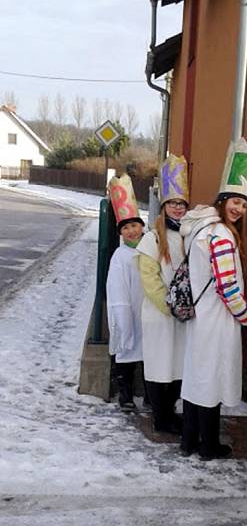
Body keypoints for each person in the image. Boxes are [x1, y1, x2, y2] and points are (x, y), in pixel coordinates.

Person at [179, 140, 247, 460]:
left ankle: (189, 441)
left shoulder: (203, 227)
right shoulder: (222, 236)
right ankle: (208, 446)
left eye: (244, 204)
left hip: (202, 318)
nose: (238, 209)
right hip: (215, 320)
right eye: (235, 201)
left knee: (197, 379)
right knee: (209, 382)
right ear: (223, 199)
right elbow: (228, 289)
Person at [137, 154, 189, 434]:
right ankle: (161, 418)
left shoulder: (190, 235)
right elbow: (149, 278)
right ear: (165, 205)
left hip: (183, 315)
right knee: (160, 367)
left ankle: (170, 413)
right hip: (160, 314)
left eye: (181, 204)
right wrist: (169, 305)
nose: (177, 208)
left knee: (178, 368)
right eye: (173, 203)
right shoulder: (152, 237)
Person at [106, 174, 145, 411]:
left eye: (134, 225)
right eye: (126, 227)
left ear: (142, 226)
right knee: (127, 351)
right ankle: (126, 394)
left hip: (148, 309)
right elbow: (117, 288)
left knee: (149, 354)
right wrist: (123, 315)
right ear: (121, 232)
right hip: (129, 308)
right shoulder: (120, 257)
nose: (131, 231)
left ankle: (151, 397)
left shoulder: (151, 247)